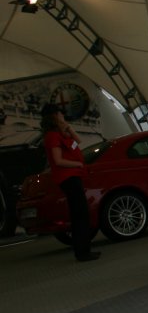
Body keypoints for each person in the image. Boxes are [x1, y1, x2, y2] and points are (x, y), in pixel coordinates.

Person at [41, 103, 100, 261]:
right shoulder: (52, 136)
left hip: (73, 176)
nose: (63, 116)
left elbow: (78, 142)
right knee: (80, 214)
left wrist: (68, 128)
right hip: (68, 177)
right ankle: (82, 251)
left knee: (81, 213)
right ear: (54, 116)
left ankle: (84, 249)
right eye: (60, 114)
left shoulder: (61, 134)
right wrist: (78, 164)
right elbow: (58, 160)